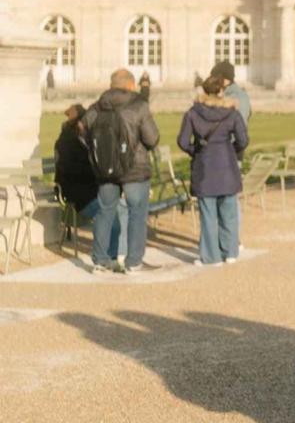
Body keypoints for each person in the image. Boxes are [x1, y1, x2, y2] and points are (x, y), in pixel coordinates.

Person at [83, 69, 161, 273]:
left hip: (105, 169)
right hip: (135, 168)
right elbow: (152, 139)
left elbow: (86, 137)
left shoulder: (94, 109)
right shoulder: (139, 106)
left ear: (111, 85)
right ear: (130, 85)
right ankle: (134, 261)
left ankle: (100, 260)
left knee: (105, 212)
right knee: (137, 212)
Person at [177, 74, 249, 266]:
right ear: (221, 91)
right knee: (229, 213)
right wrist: (230, 150)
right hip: (226, 164)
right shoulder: (232, 113)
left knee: (208, 214)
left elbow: (183, 142)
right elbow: (243, 140)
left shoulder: (193, 112)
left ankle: (211, 256)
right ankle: (230, 252)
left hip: (204, 166)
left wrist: (196, 151)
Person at [53, 103, 120, 265]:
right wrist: (97, 173)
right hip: (76, 192)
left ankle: (110, 257)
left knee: (113, 214)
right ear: (79, 124)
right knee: (108, 216)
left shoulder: (82, 139)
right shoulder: (65, 143)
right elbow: (71, 171)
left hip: (89, 189)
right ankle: (103, 258)